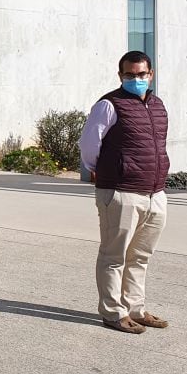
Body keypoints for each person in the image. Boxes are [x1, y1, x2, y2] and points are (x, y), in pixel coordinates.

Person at [78, 51, 170, 334]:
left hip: (154, 192)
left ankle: (135, 309)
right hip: (120, 191)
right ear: (121, 76)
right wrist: (106, 171)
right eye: (130, 75)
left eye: (141, 74)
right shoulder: (109, 105)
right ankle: (113, 312)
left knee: (140, 256)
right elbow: (89, 145)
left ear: (150, 75)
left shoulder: (157, 105)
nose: (136, 79)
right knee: (113, 256)